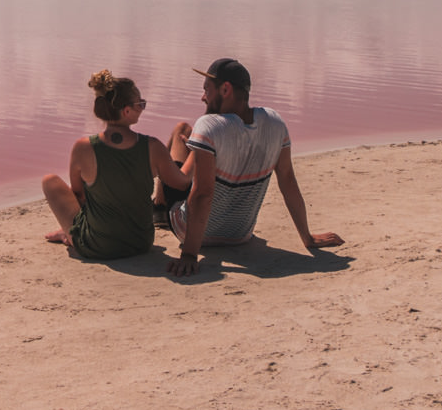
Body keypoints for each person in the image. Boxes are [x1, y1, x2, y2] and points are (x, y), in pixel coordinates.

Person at [166, 57, 344, 276]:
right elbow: (287, 181)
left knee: (179, 130)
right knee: (197, 145)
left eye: (207, 90)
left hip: (191, 233)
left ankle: (158, 207)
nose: (203, 97)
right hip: (240, 235)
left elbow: (203, 193)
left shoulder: (208, 125)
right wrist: (307, 237)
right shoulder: (275, 122)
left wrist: (189, 255)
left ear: (225, 89)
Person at [43, 70, 193, 260]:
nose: (143, 107)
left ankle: (69, 232)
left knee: (50, 181)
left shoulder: (83, 148)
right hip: (140, 243)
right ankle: (68, 231)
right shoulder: (152, 147)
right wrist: (197, 152)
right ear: (127, 111)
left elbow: (79, 195)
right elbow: (182, 183)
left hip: (97, 246)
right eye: (141, 104)